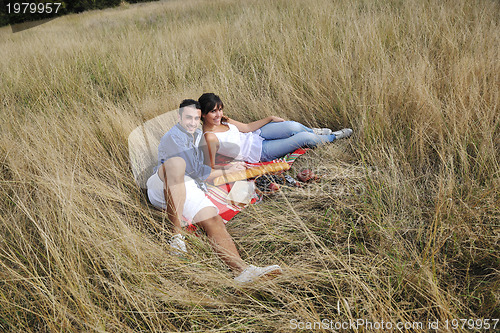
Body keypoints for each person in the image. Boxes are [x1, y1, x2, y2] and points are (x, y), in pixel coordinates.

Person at [146, 99, 282, 283]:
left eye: (196, 118)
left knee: (214, 219)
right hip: (162, 185)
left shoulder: (197, 135)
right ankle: (176, 238)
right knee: (177, 164)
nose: (192, 123)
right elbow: (195, 170)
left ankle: (242, 272)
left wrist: (227, 168)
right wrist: (223, 171)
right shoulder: (173, 137)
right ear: (179, 117)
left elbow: (202, 168)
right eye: (188, 118)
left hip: (188, 186)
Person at [198, 93, 353, 169]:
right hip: (259, 152)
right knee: (303, 138)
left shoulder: (223, 119)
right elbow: (211, 166)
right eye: (213, 111)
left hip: (257, 135)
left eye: (219, 109)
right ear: (203, 114)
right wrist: (237, 165)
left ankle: (316, 132)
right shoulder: (210, 138)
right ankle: (334, 136)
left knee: (292, 126)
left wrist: (270, 118)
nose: (218, 114)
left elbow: (246, 128)